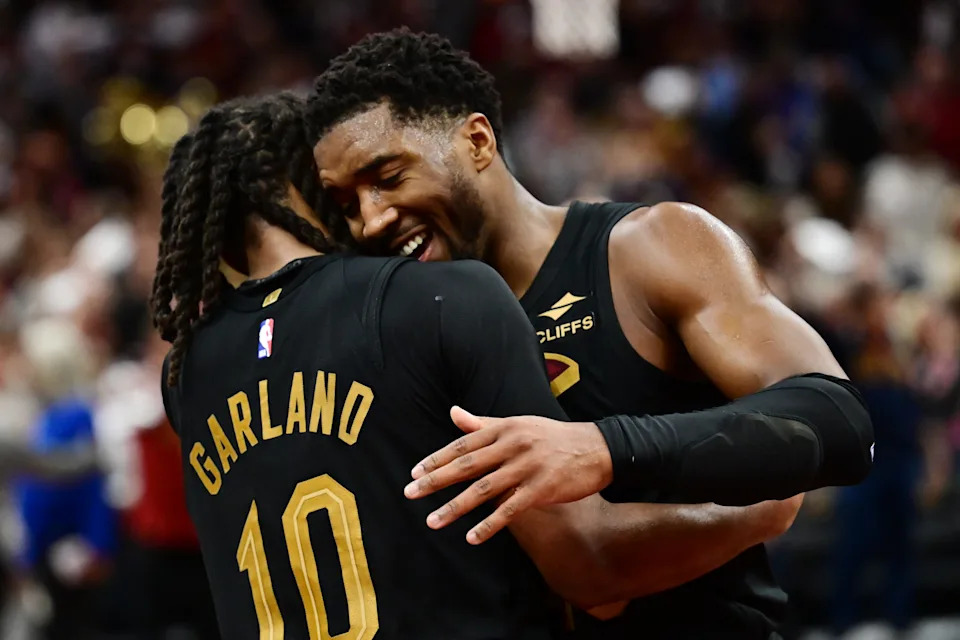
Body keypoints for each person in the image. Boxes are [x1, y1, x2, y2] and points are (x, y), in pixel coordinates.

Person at [305, 29, 875, 639]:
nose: (369, 221)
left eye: (387, 177)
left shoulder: (646, 249)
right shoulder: (399, 331)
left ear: (476, 140)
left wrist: (604, 449)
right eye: (346, 203)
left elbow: (839, 421)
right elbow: (588, 575)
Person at [154, 92, 737, 639]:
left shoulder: (185, 375)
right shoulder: (438, 298)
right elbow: (593, 575)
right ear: (322, 185)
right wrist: (754, 510)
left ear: (216, 238)